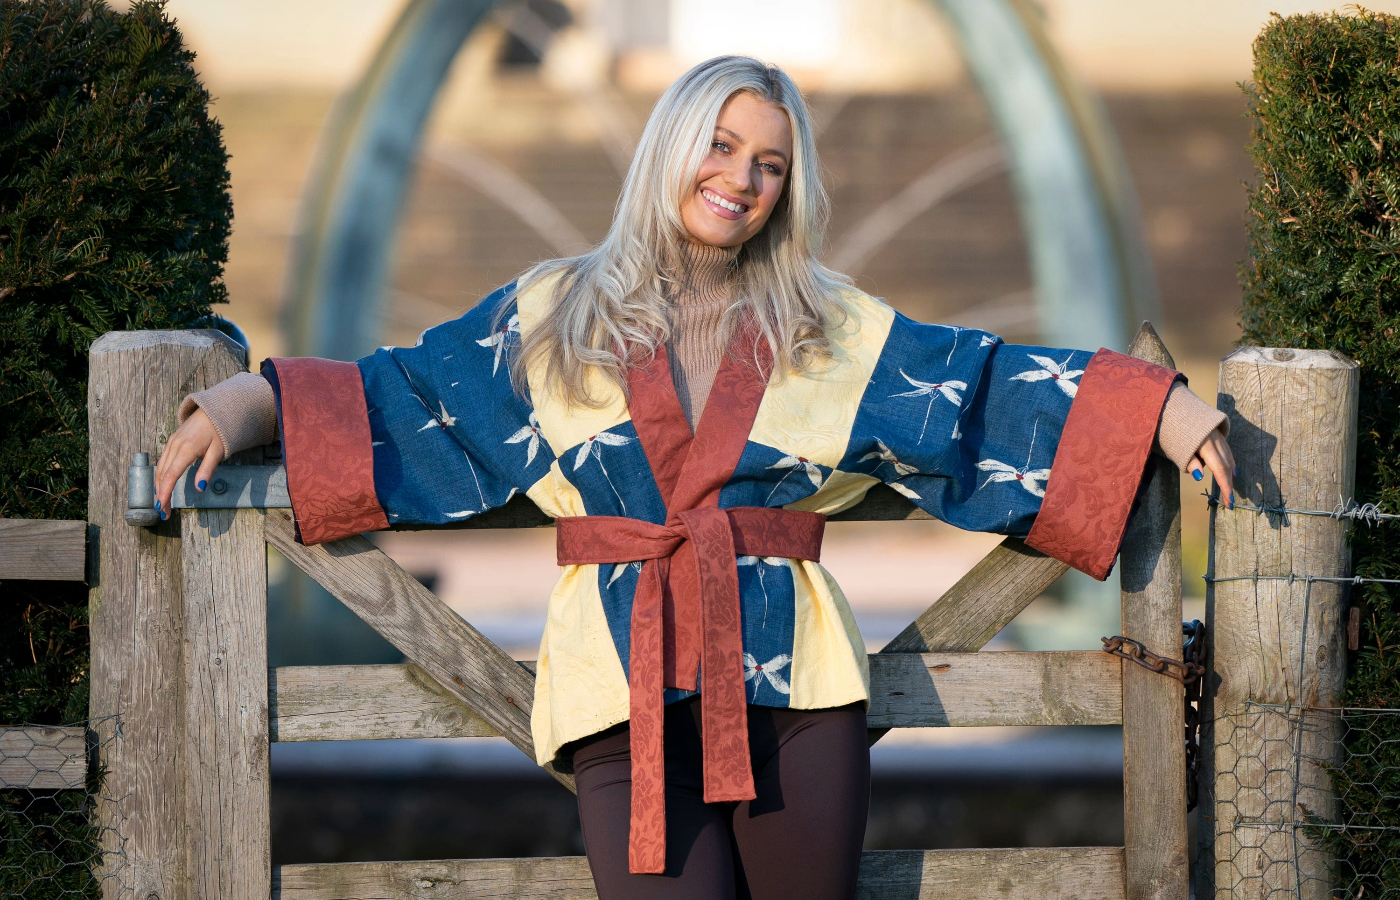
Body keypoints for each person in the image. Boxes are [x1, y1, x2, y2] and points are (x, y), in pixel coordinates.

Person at [154, 56, 1235, 900]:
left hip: (800, 693)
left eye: (770, 163)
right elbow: (402, 397)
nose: (742, 179)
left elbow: (978, 392)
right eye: (720, 146)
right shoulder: (552, 315)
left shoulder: (826, 325)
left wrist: (1161, 410)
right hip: (618, 688)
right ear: (671, 146)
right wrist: (244, 404)